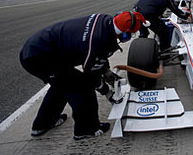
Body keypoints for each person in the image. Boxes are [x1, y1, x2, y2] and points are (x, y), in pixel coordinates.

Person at [20, 11, 146, 140]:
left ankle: (42, 124)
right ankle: (86, 129)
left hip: (37, 48)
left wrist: (106, 71)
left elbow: (99, 55)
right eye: (131, 34)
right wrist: (107, 91)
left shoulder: (104, 20)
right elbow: (92, 76)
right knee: (82, 88)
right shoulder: (97, 42)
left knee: (61, 85)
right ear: (124, 34)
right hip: (39, 59)